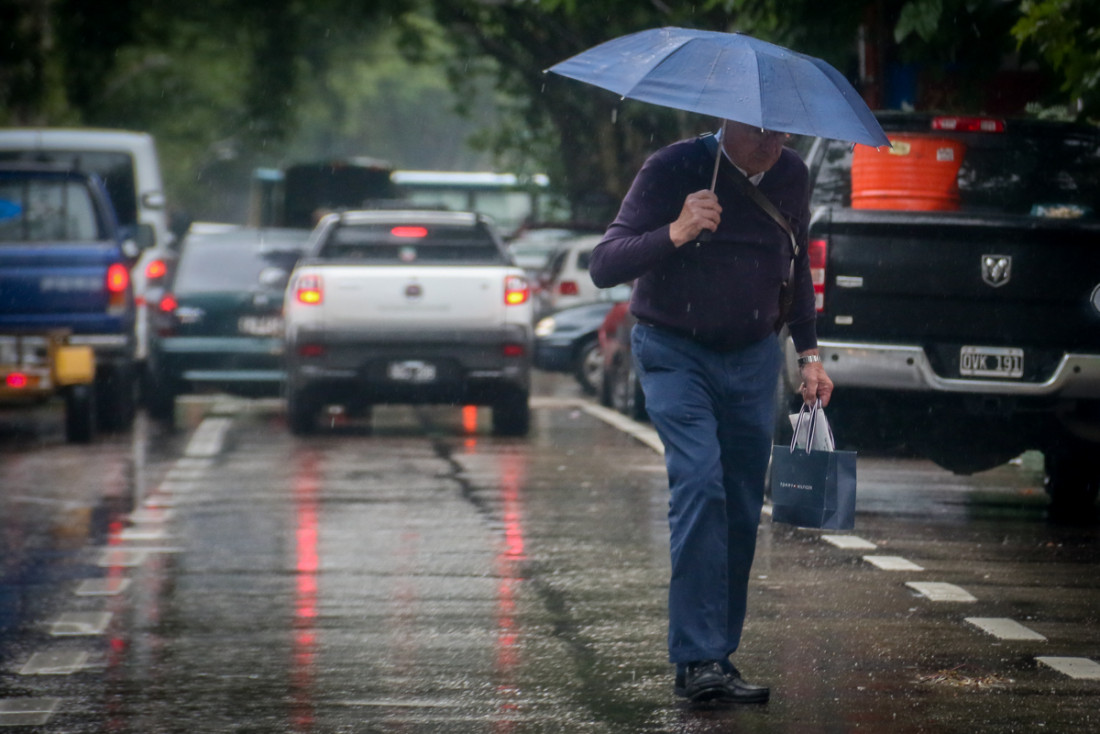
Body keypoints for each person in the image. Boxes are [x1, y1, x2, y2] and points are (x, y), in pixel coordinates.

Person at [588, 119, 833, 703]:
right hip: (673, 349)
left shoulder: (792, 175)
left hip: (752, 357)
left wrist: (811, 355)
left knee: (743, 504)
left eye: (784, 135)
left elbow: (795, 265)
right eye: (763, 134)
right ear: (730, 121)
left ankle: (716, 657)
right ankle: (696, 658)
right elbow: (604, 264)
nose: (776, 146)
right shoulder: (672, 167)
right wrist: (676, 230)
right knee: (700, 483)